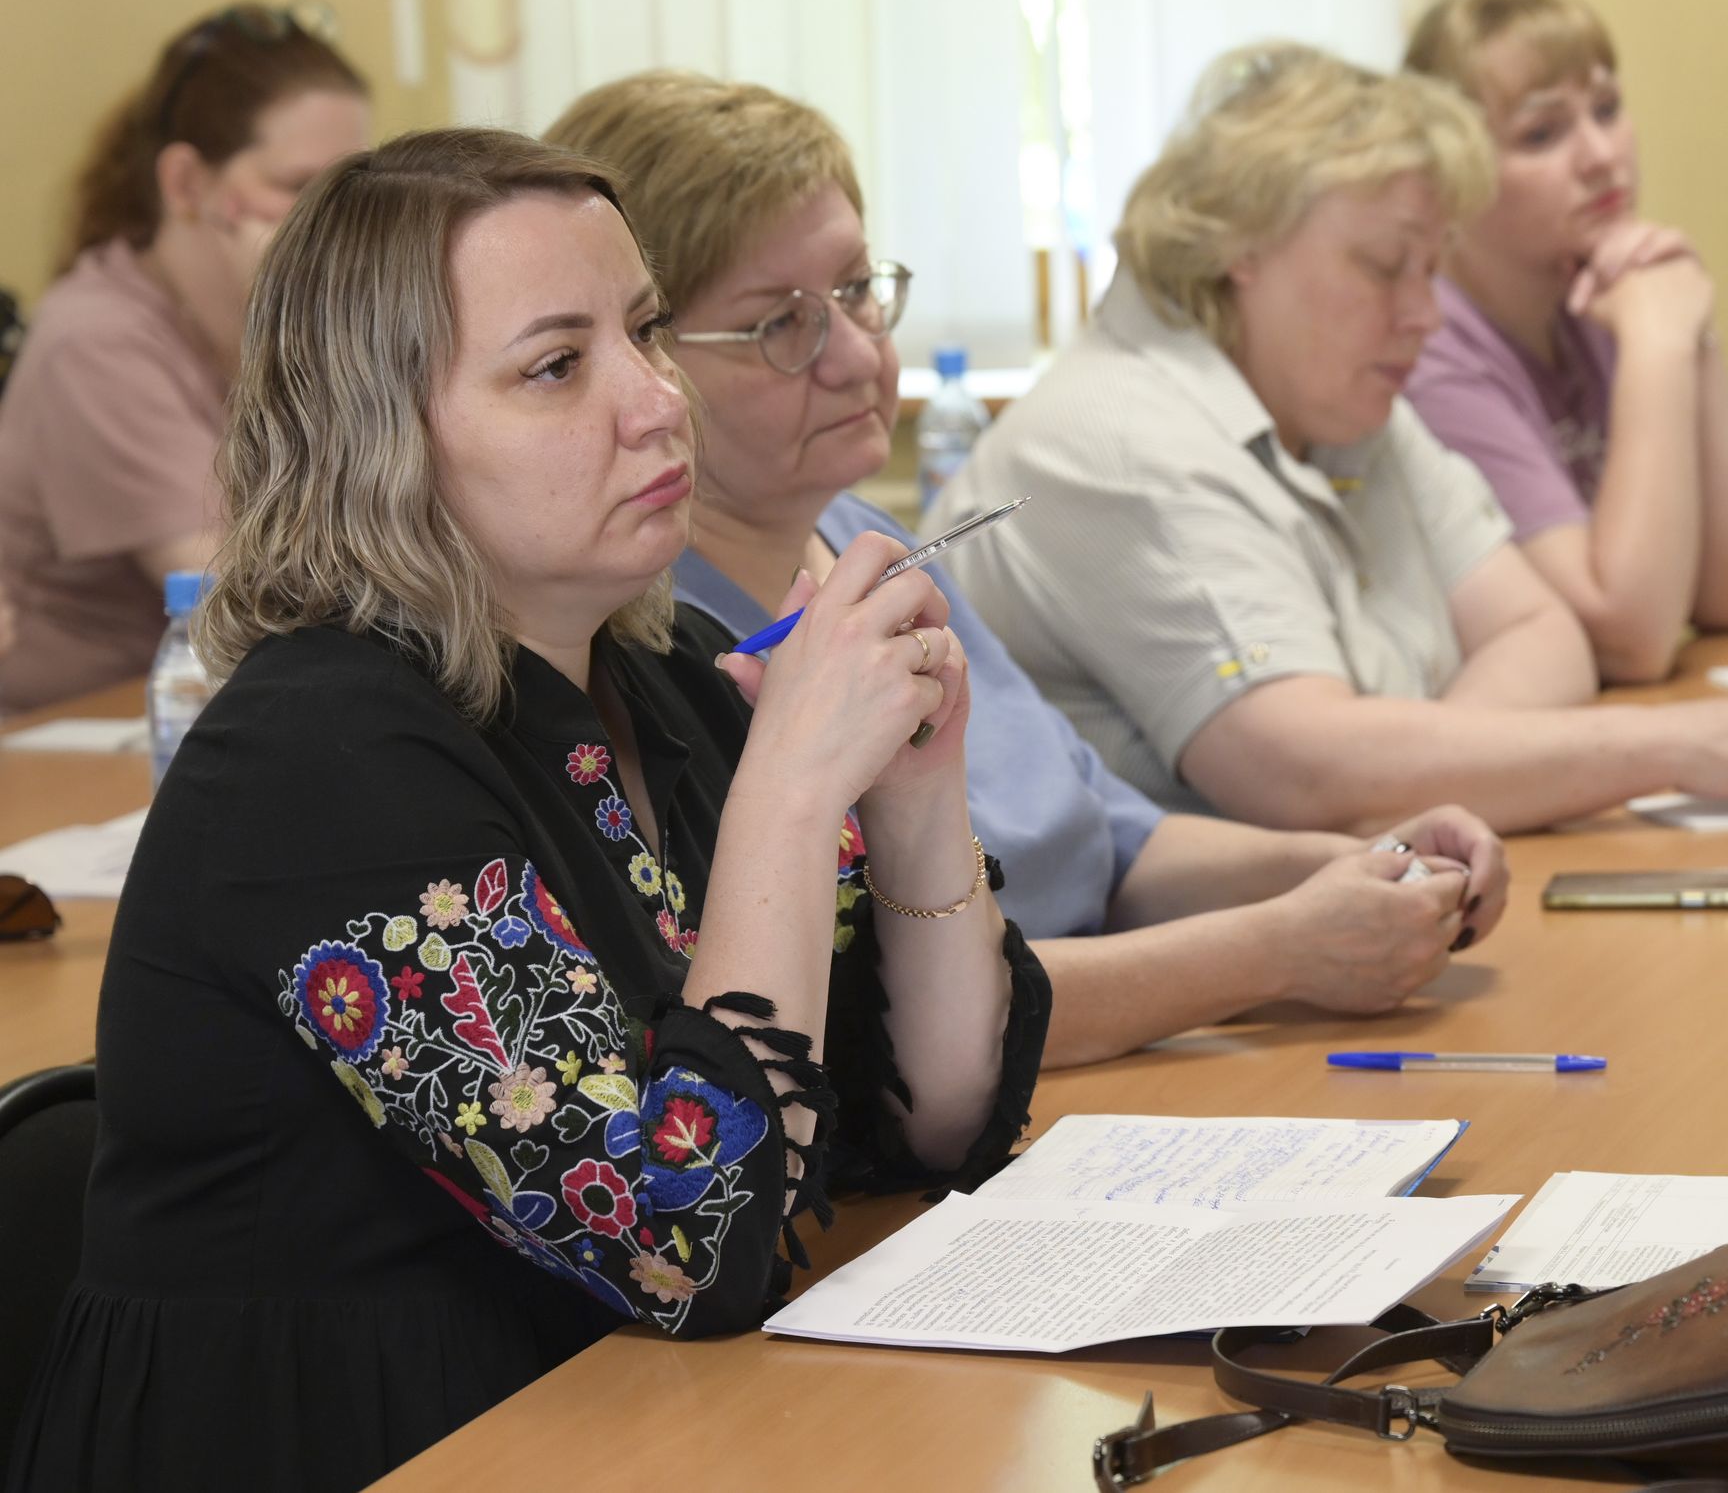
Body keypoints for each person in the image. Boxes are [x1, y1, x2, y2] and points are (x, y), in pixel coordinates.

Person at [6, 129, 1047, 1493]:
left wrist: (911, 789)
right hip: (360, 1444)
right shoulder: (314, 756)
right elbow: (683, 1241)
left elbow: (920, 1120)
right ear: (381, 441)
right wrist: (793, 790)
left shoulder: (664, 676)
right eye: (557, 366)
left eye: (647, 332)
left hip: (605, 1415)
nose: (657, 401)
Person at [543, 71, 1508, 1068]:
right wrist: (1281, 948)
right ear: (648, 355)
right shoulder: (657, 649)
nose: (857, 356)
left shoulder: (863, 538)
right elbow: (899, 1017)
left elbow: (1113, 839)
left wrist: (1372, 863)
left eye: (857, 290)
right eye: (779, 325)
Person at [931, 44, 1728, 838]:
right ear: (1238, 248)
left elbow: (1544, 634)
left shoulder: (1343, 404)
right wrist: (1672, 747)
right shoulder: (1120, 441)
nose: (1424, 315)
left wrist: (1408, 770)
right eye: (1387, 265)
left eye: (1432, 270)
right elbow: (1304, 770)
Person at [1401, 0, 1728, 682]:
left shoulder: (1604, 290)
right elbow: (1628, 637)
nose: (1602, 156)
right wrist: (1659, 346)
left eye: (1607, 110)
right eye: (1542, 135)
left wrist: (1692, 335)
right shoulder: (1429, 352)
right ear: (1451, 177)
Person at [0, 2, 373, 711]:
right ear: (185, 184)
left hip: (229, 705)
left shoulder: (255, 320)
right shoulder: (94, 342)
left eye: (351, 189)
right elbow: (253, 595)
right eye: (300, 188)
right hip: (79, 727)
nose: (335, 225)